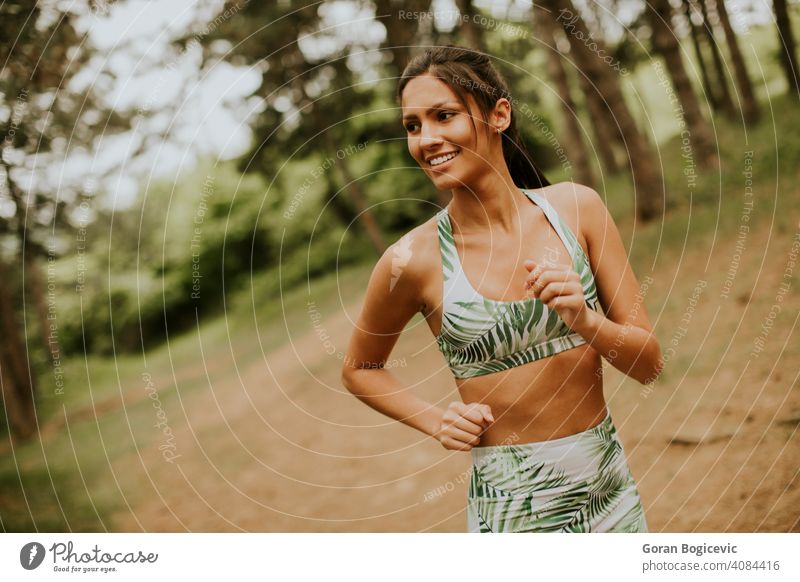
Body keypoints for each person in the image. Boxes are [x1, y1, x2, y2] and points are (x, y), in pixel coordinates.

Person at [340, 45, 663, 533]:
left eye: (443, 116)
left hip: (611, 495)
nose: (426, 139)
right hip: (511, 512)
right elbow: (360, 369)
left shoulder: (578, 211)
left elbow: (650, 364)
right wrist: (434, 419)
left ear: (499, 114)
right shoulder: (411, 260)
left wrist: (586, 319)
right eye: (413, 125)